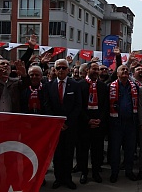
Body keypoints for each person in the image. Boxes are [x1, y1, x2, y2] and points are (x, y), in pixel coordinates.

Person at [45, 59, 82, 190]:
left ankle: (68, 179)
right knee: (58, 154)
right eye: (58, 68)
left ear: (68, 70)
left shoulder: (75, 85)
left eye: (63, 68)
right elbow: (47, 105)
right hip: (55, 127)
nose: (61, 70)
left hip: (70, 126)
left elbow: (78, 106)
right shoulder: (48, 86)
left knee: (68, 153)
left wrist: (67, 122)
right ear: (54, 70)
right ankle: (58, 178)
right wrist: (57, 122)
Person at [78, 62, 109, 184]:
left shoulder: (102, 86)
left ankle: (96, 172)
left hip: (98, 123)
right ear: (87, 70)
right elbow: (78, 105)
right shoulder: (80, 85)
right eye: (94, 69)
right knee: (83, 150)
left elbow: (106, 105)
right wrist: (87, 120)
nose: (96, 71)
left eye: (97, 69)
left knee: (97, 150)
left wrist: (99, 119)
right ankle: (84, 173)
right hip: (84, 123)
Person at [108, 65, 139, 183]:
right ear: (117, 73)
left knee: (130, 149)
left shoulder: (134, 86)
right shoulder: (110, 86)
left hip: (130, 122)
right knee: (115, 150)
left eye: (127, 70)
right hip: (116, 123)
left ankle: (129, 171)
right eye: (122, 70)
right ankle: (114, 172)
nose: (125, 71)